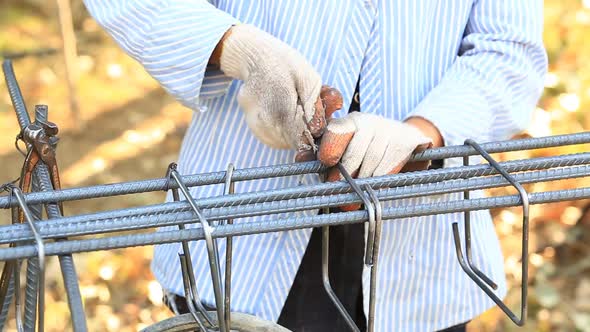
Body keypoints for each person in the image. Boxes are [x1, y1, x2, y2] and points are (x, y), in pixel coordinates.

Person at [82, 1, 548, 331]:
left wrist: (425, 131)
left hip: (422, 250)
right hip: (238, 231)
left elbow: (509, 50)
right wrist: (237, 47)